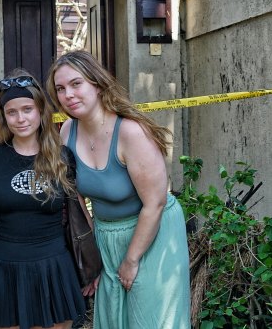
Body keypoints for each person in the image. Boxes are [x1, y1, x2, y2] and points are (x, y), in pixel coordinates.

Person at [46, 50, 191, 329]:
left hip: (152, 231)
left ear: (97, 84)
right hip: (107, 235)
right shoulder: (67, 132)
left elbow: (155, 204)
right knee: (114, 320)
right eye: (61, 89)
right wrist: (93, 256)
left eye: (77, 84)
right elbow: (75, 199)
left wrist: (131, 259)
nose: (68, 95)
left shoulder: (131, 133)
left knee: (153, 320)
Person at [0, 69, 93, 329]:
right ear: (4, 117)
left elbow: (80, 214)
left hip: (54, 266)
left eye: (27, 109)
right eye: (12, 112)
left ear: (41, 111)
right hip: (7, 266)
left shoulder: (62, 158)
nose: (20, 119)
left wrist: (91, 263)